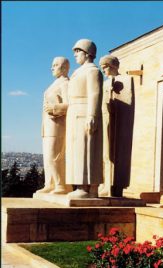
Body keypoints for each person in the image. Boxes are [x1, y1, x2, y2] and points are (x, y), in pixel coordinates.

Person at [66, 39, 103, 198]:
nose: (75, 55)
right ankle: (80, 185)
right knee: (76, 150)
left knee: (85, 149)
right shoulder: (79, 71)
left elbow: (95, 93)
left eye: (78, 51)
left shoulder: (92, 71)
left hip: (85, 111)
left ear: (87, 53)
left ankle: (86, 187)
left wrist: (92, 115)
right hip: (74, 112)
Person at [99, 54, 134, 197]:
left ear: (112, 66)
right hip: (105, 120)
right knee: (104, 154)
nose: (103, 71)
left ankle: (113, 186)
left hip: (118, 123)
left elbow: (127, 104)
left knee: (115, 154)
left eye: (105, 67)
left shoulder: (126, 80)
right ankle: (104, 184)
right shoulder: (104, 83)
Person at [36, 57, 70, 194]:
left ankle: (61, 185)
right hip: (48, 125)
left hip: (58, 125)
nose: (52, 68)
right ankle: (50, 183)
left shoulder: (66, 84)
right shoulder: (54, 84)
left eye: (55, 65)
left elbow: (70, 105)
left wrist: (55, 108)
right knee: (48, 156)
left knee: (54, 155)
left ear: (64, 68)